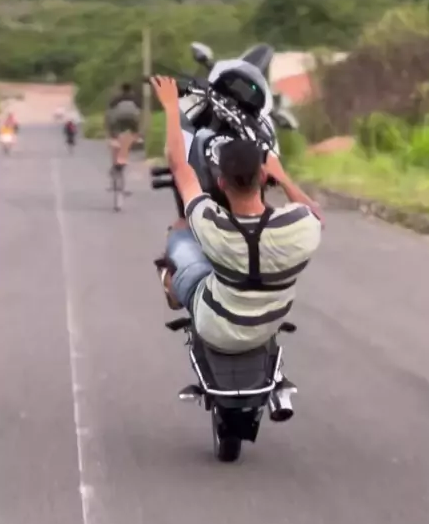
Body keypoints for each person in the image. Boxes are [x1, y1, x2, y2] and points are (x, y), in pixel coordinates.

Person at [152, 75, 323, 357]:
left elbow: (179, 166)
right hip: (269, 324)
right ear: (264, 176)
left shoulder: (208, 222)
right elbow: (316, 214)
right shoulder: (300, 225)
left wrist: (171, 106)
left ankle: (171, 287)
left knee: (179, 231)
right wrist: (284, 180)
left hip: (213, 326)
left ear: (221, 182)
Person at [105, 83, 141, 173]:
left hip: (119, 119)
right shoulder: (134, 98)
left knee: (114, 135)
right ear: (131, 90)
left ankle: (115, 161)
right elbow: (140, 109)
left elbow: (110, 109)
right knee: (134, 131)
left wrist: (109, 127)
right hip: (132, 119)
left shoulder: (117, 97)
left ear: (121, 89)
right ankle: (137, 138)